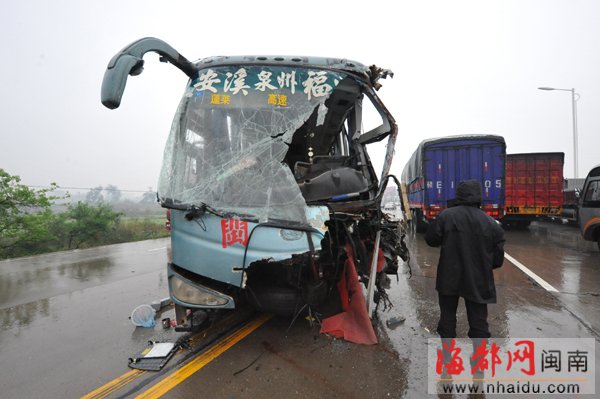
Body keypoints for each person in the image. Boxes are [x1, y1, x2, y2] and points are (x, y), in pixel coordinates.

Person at [425, 180, 505, 339]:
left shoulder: (446, 216)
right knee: (479, 322)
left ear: (459, 196)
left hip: (449, 276)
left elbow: (431, 240)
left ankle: (447, 358)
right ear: (479, 197)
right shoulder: (491, 223)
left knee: (447, 317)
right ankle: (479, 359)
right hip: (478, 279)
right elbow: (497, 260)